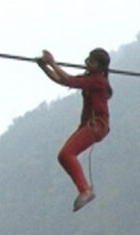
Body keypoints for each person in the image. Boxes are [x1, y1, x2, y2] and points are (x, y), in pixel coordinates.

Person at [37, 48, 112, 212]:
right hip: (89, 126)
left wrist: (52, 62)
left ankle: (85, 190)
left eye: (92, 61)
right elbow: (63, 80)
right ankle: (84, 189)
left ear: (99, 66)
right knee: (64, 156)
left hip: (96, 126)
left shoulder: (98, 80)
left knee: (66, 154)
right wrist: (45, 68)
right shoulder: (91, 78)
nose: (87, 62)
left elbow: (69, 80)